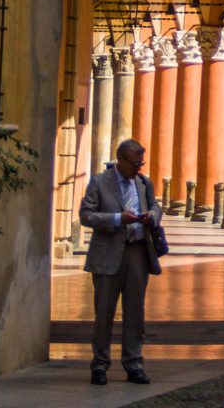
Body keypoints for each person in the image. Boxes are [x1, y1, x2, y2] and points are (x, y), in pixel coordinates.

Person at [80, 138, 163, 385]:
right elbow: (86, 215)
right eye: (136, 163)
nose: (139, 168)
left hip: (138, 253)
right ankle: (100, 365)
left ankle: (134, 364)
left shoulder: (143, 183)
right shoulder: (99, 182)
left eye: (141, 163)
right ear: (121, 160)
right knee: (104, 313)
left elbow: (157, 207)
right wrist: (117, 218)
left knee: (135, 313)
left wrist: (152, 217)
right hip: (108, 254)